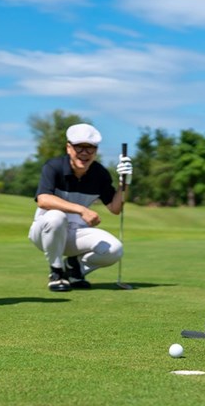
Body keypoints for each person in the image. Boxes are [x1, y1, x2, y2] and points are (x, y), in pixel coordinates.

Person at [28, 123, 133, 291]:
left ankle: (74, 268)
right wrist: (82, 209)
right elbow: (43, 199)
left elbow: (115, 208)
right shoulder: (54, 166)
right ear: (69, 148)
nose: (84, 153)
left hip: (75, 235)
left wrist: (125, 183)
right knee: (56, 217)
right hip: (44, 232)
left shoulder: (100, 174)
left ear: (95, 151)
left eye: (90, 148)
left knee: (115, 250)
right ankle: (56, 272)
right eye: (79, 147)